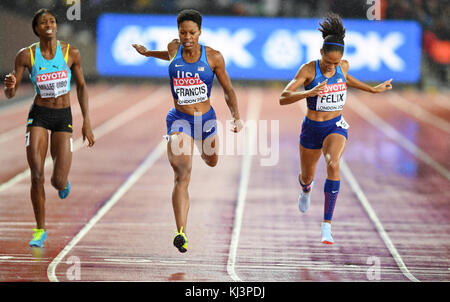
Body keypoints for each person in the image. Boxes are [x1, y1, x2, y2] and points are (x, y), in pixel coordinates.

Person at [132, 9, 242, 253]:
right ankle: (181, 232)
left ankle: (203, 150)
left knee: (212, 161)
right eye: (183, 32)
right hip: (179, 119)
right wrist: (148, 53)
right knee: (182, 172)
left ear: (200, 32)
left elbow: (228, 90)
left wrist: (236, 117)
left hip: (206, 121)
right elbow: (168, 55)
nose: (187, 37)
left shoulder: (213, 57)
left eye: (192, 32)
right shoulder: (173, 48)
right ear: (178, 32)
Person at [279, 13, 392, 244]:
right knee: (307, 175)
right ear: (321, 54)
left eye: (335, 64)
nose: (332, 68)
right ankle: (305, 188)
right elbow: (283, 97)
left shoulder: (343, 66)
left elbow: (346, 79)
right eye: (328, 63)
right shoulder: (308, 70)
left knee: (333, 162)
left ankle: (327, 225)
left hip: (335, 126)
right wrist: (308, 93)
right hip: (311, 129)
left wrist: (372, 90)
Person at [3, 9, 95, 248]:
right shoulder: (26, 55)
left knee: (57, 180)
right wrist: (9, 86)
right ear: (37, 29)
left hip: (63, 116)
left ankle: (64, 183)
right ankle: (40, 229)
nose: (49, 24)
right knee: (36, 174)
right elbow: (10, 93)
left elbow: (82, 86)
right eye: (43, 22)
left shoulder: (70, 52)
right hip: (39, 115)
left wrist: (86, 120)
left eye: (52, 21)